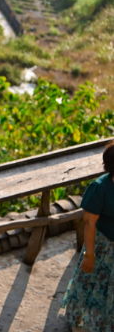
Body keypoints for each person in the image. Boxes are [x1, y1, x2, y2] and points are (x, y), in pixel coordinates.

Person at [62, 140, 114, 331]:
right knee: (92, 285)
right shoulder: (100, 188)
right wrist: (89, 255)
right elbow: (89, 224)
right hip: (102, 246)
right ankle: (82, 321)